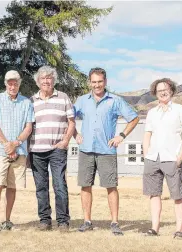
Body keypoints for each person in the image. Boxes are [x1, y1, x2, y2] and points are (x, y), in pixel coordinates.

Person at [73, 67, 139, 235]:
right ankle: (87, 221)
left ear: (105, 82)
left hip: (107, 150)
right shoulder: (81, 100)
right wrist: (75, 133)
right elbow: (68, 117)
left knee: (111, 187)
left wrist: (121, 136)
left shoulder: (115, 100)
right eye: (94, 82)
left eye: (100, 82)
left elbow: (134, 118)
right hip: (86, 150)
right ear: (89, 82)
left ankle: (115, 223)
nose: (97, 85)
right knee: (85, 186)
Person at [142, 78, 182, 239]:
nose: (163, 92)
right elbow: (147, 134)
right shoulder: (152, 112)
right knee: (154, 194)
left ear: (171, 90)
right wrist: (146, 154)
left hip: (172, 158)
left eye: (166, 89)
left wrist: (179, 157)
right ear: (155, 93)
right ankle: (154, 228)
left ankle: (179, 230)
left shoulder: (180, 110)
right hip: (153, 158)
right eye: (159, 90)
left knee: (177, 195)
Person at [0, 70, 35, 232]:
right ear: (5, 83)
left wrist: (16, 143)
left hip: (19, 151)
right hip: (1, 150)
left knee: (12, 187)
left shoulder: (26, 102)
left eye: (15, 83)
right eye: (9, 83)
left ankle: (7, 221)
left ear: (19, 84)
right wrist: (7, 144)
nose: (12, 86)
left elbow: (29, 127)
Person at [29, 66, 75, 232]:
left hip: (57, 149)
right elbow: (28, 125)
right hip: (36, 150)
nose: (46, 81)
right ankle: (45, 220)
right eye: (43, 79)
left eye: (49, 78)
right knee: (41, 187)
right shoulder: (32, 100)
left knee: (60, 185)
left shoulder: (63, 97)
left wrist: (65, 141)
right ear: (38, 82)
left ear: (54, 80)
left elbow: (72, 122)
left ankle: (63, 221)